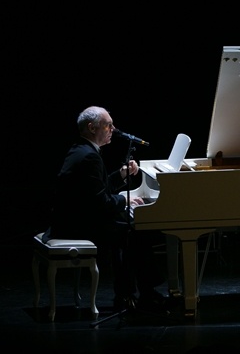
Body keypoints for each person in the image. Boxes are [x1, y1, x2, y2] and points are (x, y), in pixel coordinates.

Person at [45, 106, 167, 312]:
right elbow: (100, 203)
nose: (113, 129)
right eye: (108, 125)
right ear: (92, 128)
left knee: (128, 229)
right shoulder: (89, 156)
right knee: (132, 232)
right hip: (76, 226)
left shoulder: (81, 150)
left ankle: (132, 293)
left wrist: (121, 175)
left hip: (74, 219)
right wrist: (124, 201)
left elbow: (97, 191)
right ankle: (135, 294)